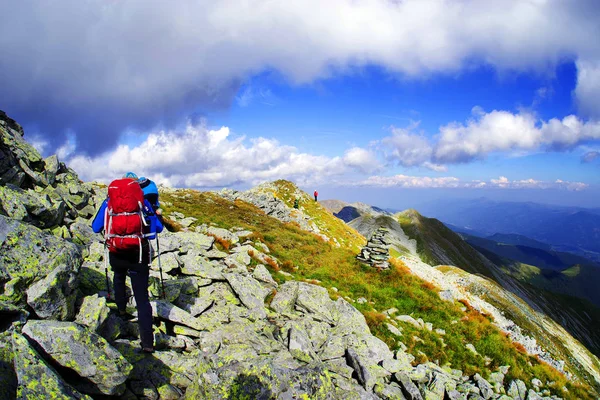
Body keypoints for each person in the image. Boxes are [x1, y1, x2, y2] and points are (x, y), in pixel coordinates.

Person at [91, 172, 163, 353]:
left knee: (119, 277)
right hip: (138, 255)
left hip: (117, 252)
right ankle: (147, 342)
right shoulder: (142, 203)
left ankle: (121, 310)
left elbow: (95, 227)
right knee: (142, 299)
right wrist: (156, 214)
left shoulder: (109, 203)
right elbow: (158, 229)